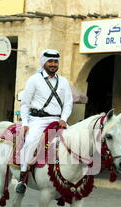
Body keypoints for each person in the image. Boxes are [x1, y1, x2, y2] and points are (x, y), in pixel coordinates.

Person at [16, 49, 73, 194]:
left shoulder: (64, 82)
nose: (53, 64)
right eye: (50, 61)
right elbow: (25, 103)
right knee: (30, 143)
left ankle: (74, 179)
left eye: (56, 61)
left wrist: (63, 119)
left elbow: (68, 103)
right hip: (38, 120)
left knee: (76, 142)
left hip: (58, 120)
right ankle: (22, 178)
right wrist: (26, 124)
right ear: (44, 63)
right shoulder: (34, 80)